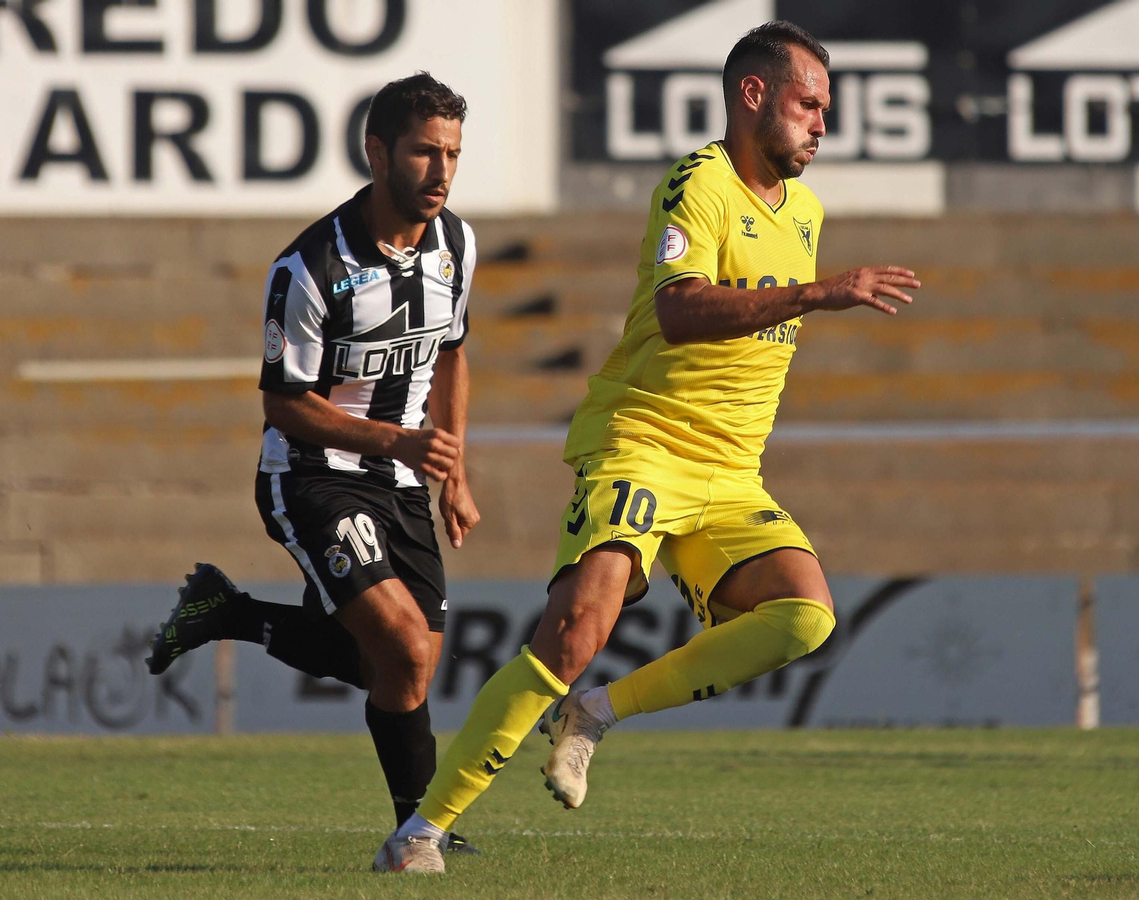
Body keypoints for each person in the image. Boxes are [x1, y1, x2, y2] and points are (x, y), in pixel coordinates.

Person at [373, 22, 922, 874]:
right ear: (754, 96)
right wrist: (814, 294)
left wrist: (807, 290)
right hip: (645, 443)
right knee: (574, 629)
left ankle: (595, 714)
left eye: (826, 110)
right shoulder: (696, 185)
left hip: (732, 473)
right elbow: (680, 311)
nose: (822, 125)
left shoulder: (806, 211)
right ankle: (420, 834)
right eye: (808, 105)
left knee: (805, 616)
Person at [143, 72, 483, 859]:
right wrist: (399, 440)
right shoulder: (308, 267)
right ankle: (419, 833)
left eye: (454, 155)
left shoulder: (455, 245)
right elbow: (285, 404)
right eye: (425, 152)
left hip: (401, 482)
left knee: (405, 665)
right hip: (311, 475)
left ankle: (231, 614)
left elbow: (455, 352)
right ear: (376, 151)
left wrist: (455, 469)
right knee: (401, 646)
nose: (441, 172)